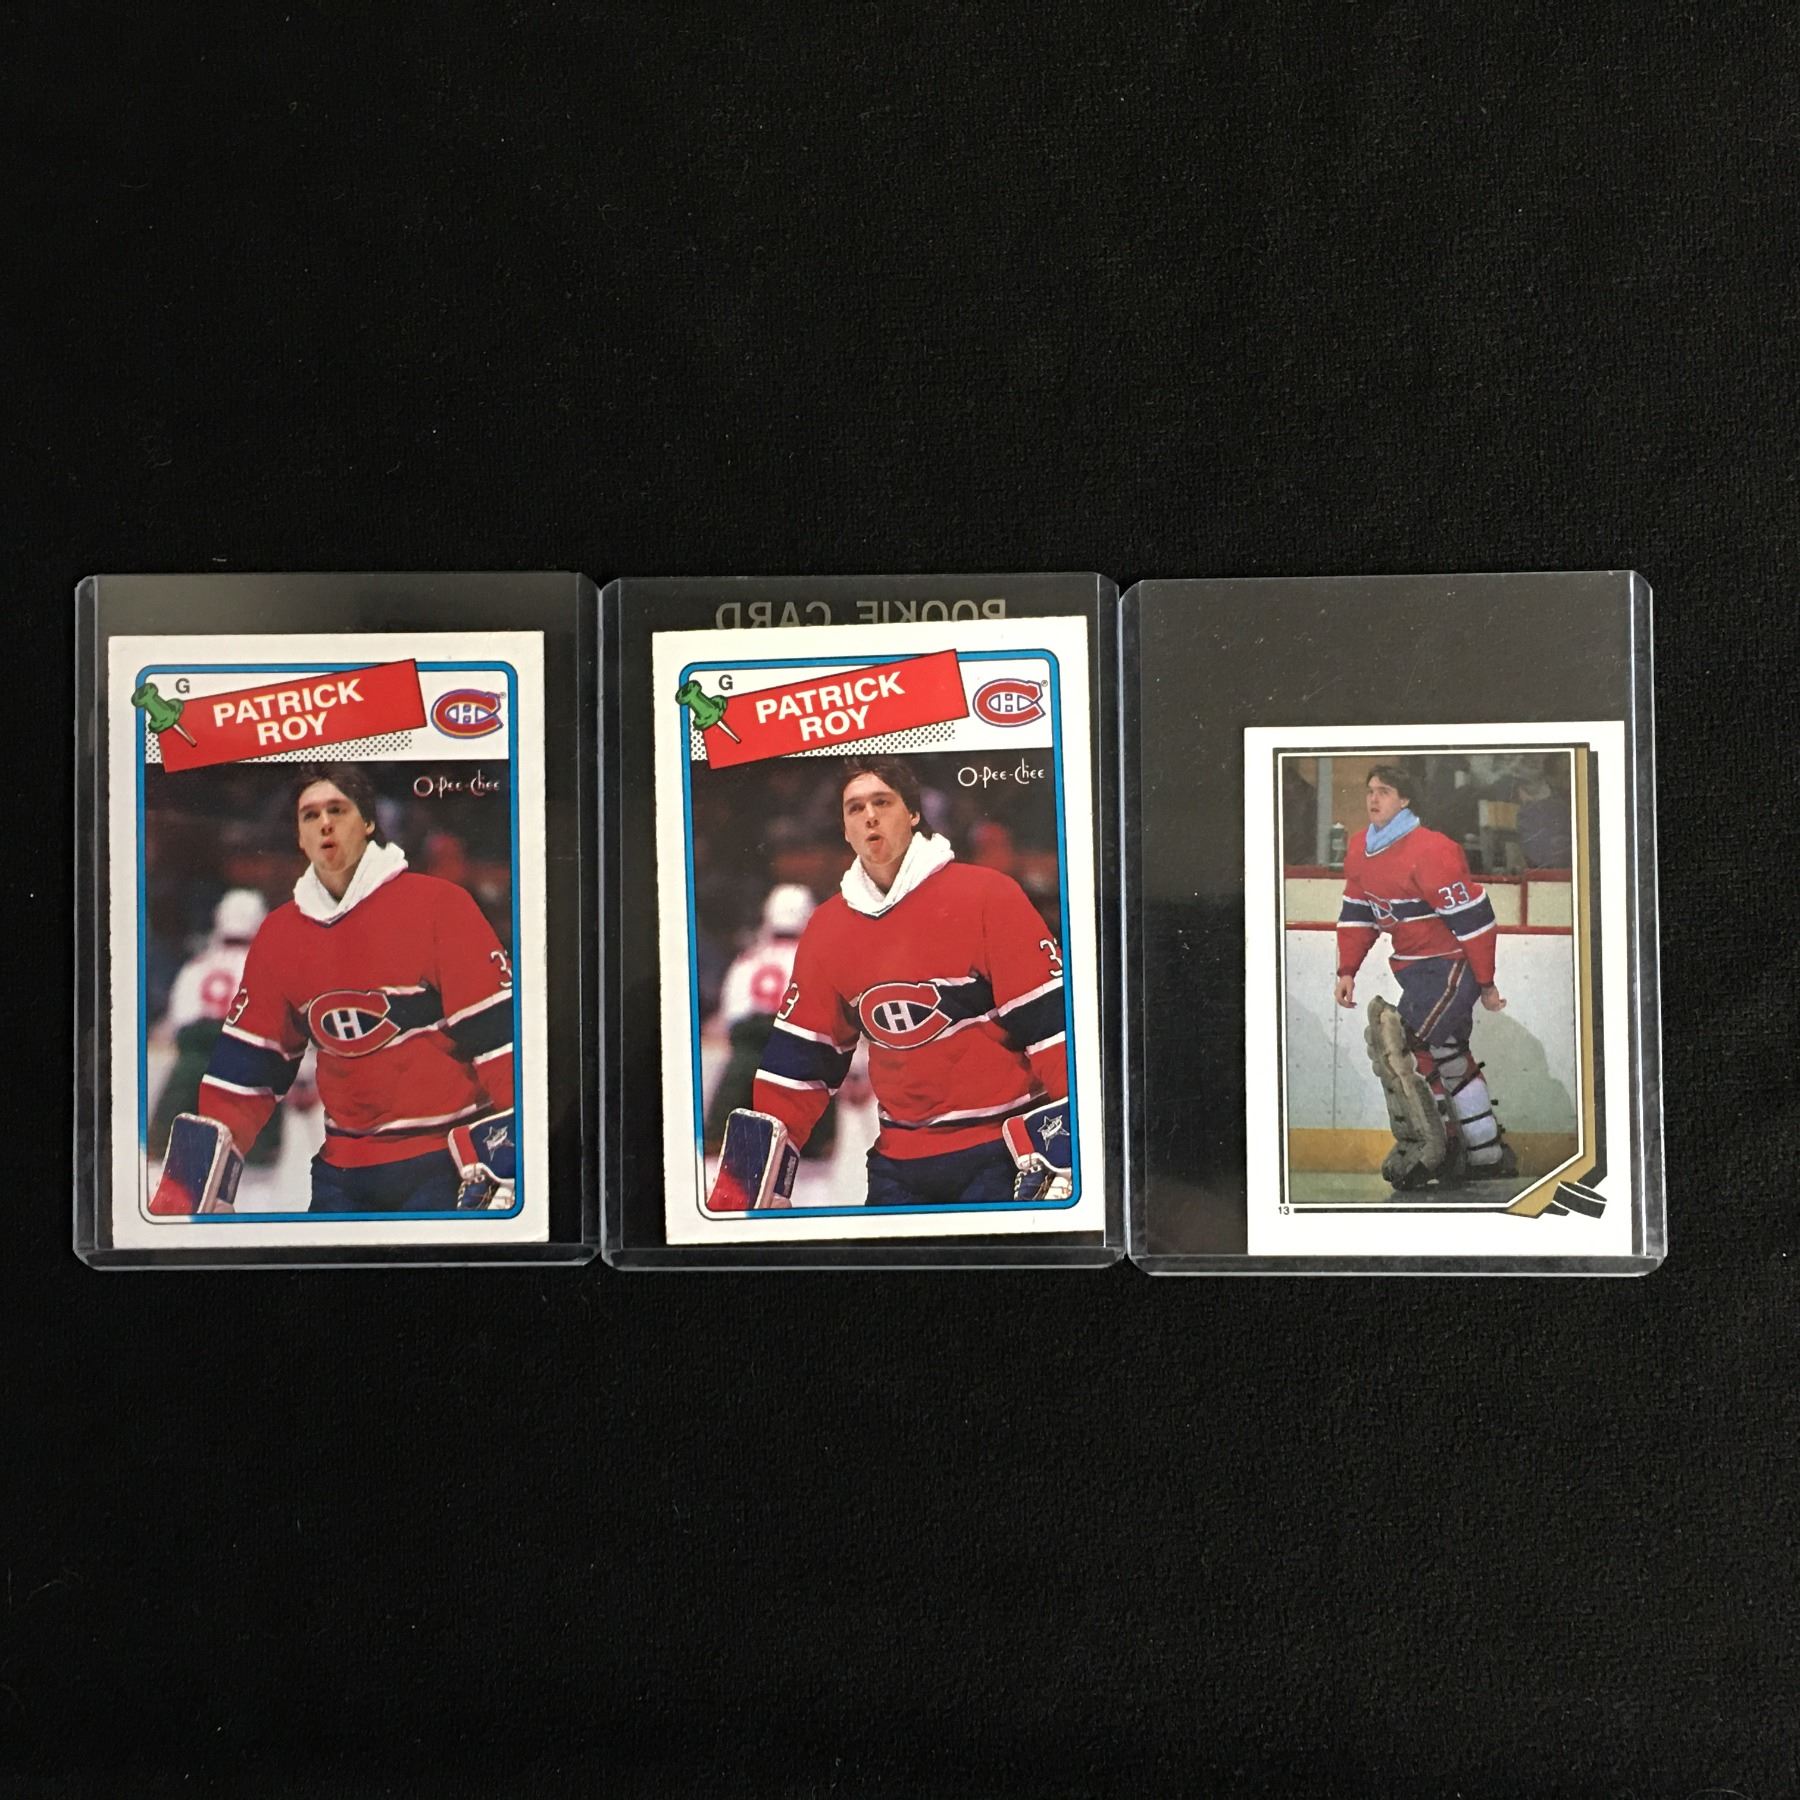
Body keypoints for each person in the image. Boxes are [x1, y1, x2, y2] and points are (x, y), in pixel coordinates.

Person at [150, 762, 516, 1215]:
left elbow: (500, 1041)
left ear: (368, 823)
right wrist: (189, 1183)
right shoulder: (280, 934)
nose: (324, 823)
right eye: (310, 815)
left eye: (337, 810)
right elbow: (245, 1073)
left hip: (443, 1164)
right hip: (343, 1173)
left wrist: (514, 1154)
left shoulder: (440, 906)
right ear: (299, 837)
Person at [707, 757, 1072, 1209]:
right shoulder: (827, 928)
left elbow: (1052, 1028)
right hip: (898, 1164)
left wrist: (1072, 1144)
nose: (870, 817)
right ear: (844, 828)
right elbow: (798, 1066)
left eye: (882, 802)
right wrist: (746, 1180)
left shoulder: (987, 896)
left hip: (1000, 1153)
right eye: (855, 808)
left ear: (914, 813)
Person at [1334, 763, 1517, 1190]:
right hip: (1414, 970)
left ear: (1405, 800)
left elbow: (1474, 921)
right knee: (1447, 1053)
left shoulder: (1432, 850)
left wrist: (1486, 982)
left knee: (1408, 1048)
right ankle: (1486, 1154)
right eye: (1370, 790)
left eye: (1384, 791)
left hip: (1451, 966)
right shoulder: (1361, 848)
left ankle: (1442, 1145)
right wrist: (1347, 970)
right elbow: (1358, 914)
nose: (1373, 798)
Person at [150, 887, 280, 1166]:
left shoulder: (197, 964)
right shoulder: (269, 966)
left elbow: (179, 1019)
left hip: (195, 1052)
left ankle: (162, 1144)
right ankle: (259, 1153)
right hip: (245, 1050)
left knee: (171, 1126)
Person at [703, 883, 820, 1148]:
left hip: (747, 1052)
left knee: (725, 1136)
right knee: (807, 1147)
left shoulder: (748, 958)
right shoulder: (816, 960)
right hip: (796, 1049)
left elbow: (731, 1016)